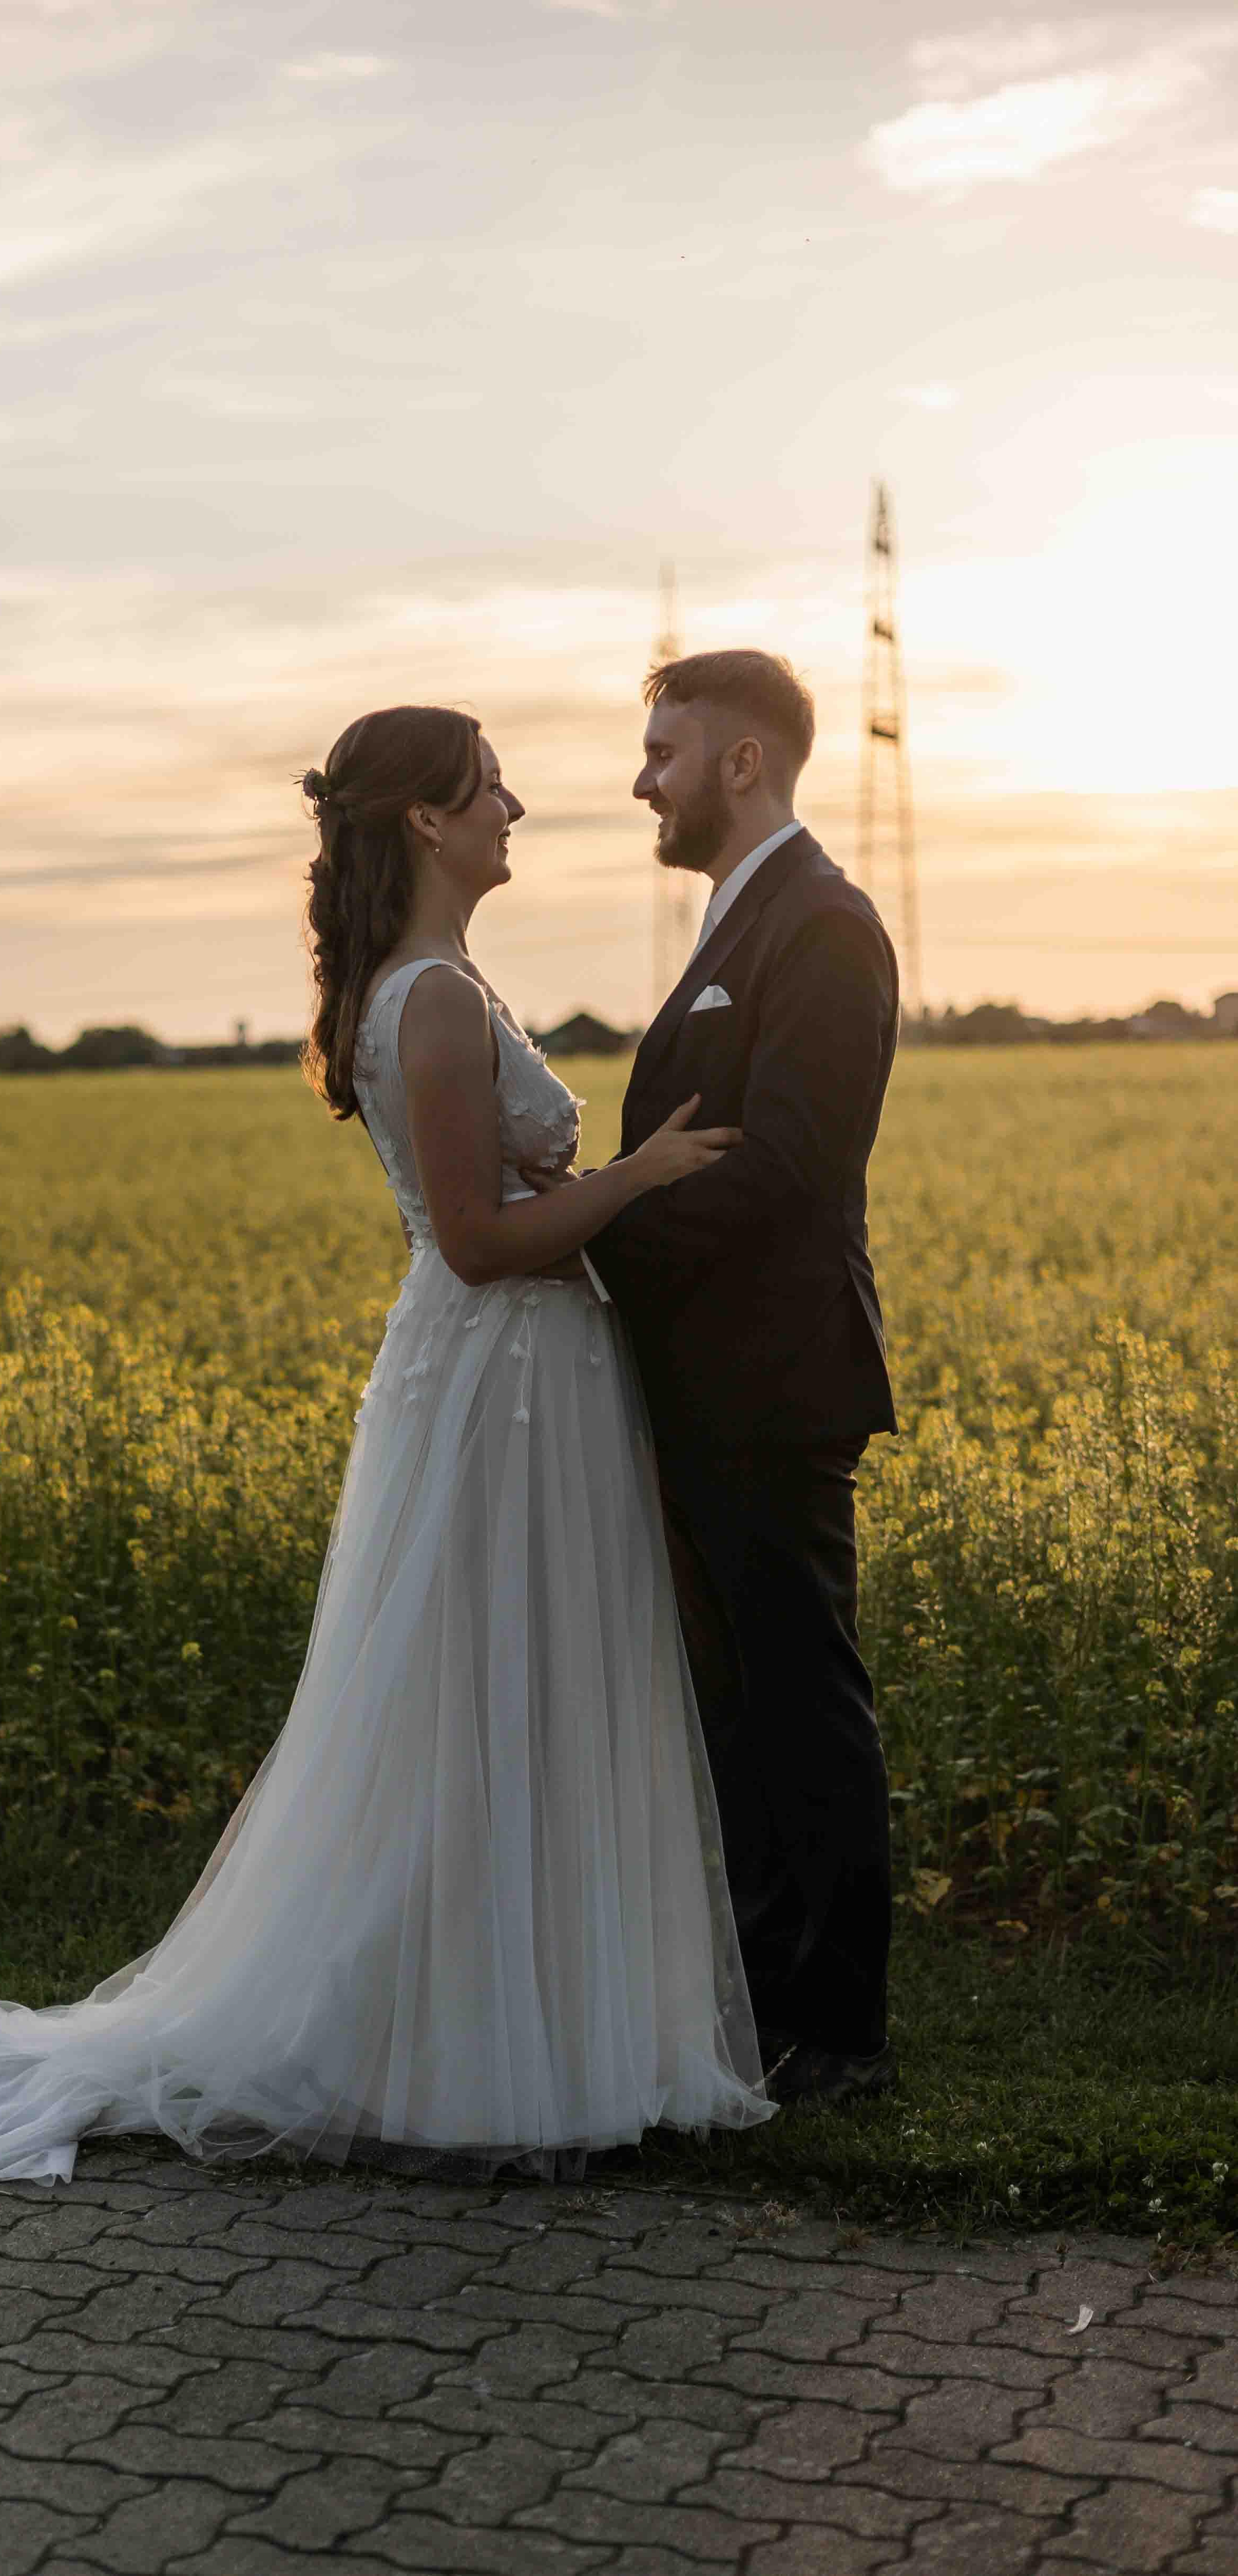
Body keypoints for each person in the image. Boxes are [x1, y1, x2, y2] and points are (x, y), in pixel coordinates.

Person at [0, 703, 774, 2184]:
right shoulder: (430, 998)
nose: (514, 808)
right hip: (500, 1376)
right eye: (490, 788)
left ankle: (514, 2034)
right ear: (427, 821)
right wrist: (639, 1177)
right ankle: (467, 2051)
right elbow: (476, 1241)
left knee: (506, 1692)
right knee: (478, 1697)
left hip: (519, 1380)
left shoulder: (439, 982)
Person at [580, 650, 899, 2107]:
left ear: (743, 761)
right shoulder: (740, 916)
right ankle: (765, 2005)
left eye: (665, 752)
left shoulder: (824, 924)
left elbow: (790, 1167)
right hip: (705, 1382)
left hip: (774, 1380)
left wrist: (592, 1229)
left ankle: (839, 2028)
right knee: (739, 1710)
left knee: (802, 1698)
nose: (644, 780)